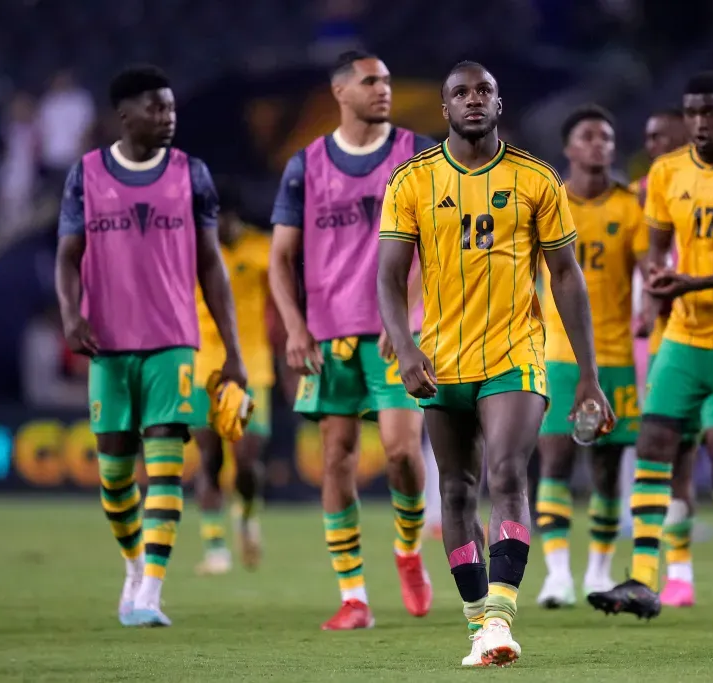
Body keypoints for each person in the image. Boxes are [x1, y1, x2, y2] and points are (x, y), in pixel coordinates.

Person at [376, 61, 614, 667]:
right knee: (455, 490)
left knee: (506, 473)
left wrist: (588, 375)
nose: (473, 100)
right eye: (461, 92)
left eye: (484, 91)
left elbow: (566, 275)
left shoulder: (537, 180)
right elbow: (388, 275)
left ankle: (502, 619)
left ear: (499, 104)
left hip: (516, 355)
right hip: (442, 360)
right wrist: (405, 345)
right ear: (445, 106)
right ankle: (480, 621)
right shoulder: (411, 181)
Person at [588, 71, 713, 624]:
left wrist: (691, 284)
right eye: (693, 111)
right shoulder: (665, 172)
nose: (701, 121)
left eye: (711, 111)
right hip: (683, 334)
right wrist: (658, 284)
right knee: (655, 439)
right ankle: (645, 579)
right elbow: (657, 249)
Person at [55, 64, 245, 627]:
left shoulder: (193, 175)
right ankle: (133, 564)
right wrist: (71, 316)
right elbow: (67, 257)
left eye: (171, 108)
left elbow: (212, 266)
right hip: (107, 344)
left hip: (173, 342)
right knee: (114, 474)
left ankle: (151, 592)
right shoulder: (85, 175)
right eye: (155, 109)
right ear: (124, 115)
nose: (167, 118)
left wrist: (231, 348)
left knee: (165, 465)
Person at [268, 50, 436, 630]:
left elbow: (431, 245)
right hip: (329, 334)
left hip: (397, 335)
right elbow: (280, 258)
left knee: (400, 451)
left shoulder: (415, 153)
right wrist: (294, 326)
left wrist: (407, 318)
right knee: (335, 457)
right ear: (341, 92)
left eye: (388, 79)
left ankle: (409, 551)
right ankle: (354, 596)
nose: (384, 88)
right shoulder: (306, 165)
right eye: (371, 81)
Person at [635, 109, 713, 610]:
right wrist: (644, 304)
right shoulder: (643, 193)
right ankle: (678, 571)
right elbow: (640, 261)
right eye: (648, 137)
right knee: (675, 457)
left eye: (661, 135)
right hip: (669, 343)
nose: (653, 143)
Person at [533, 105, 645, 609]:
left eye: (606, 136)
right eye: (588, 136)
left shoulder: (631, 206)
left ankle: (599, 570)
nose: (599, 143)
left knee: (605, 468)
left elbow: (649, 268)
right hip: (555, 352)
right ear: (569, 148)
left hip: (616, 353)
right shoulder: (546, 201)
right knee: (554, 458)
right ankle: (558, 574)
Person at [193, 186, 274, 575]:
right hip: (200, 366)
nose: (219, 226)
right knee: (208, 460)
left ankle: (246, 515)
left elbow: (281, 303)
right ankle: (215, 548)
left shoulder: (262, 249)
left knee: (245, 460)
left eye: (224, 217)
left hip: (249, 367)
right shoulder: (193, 251)